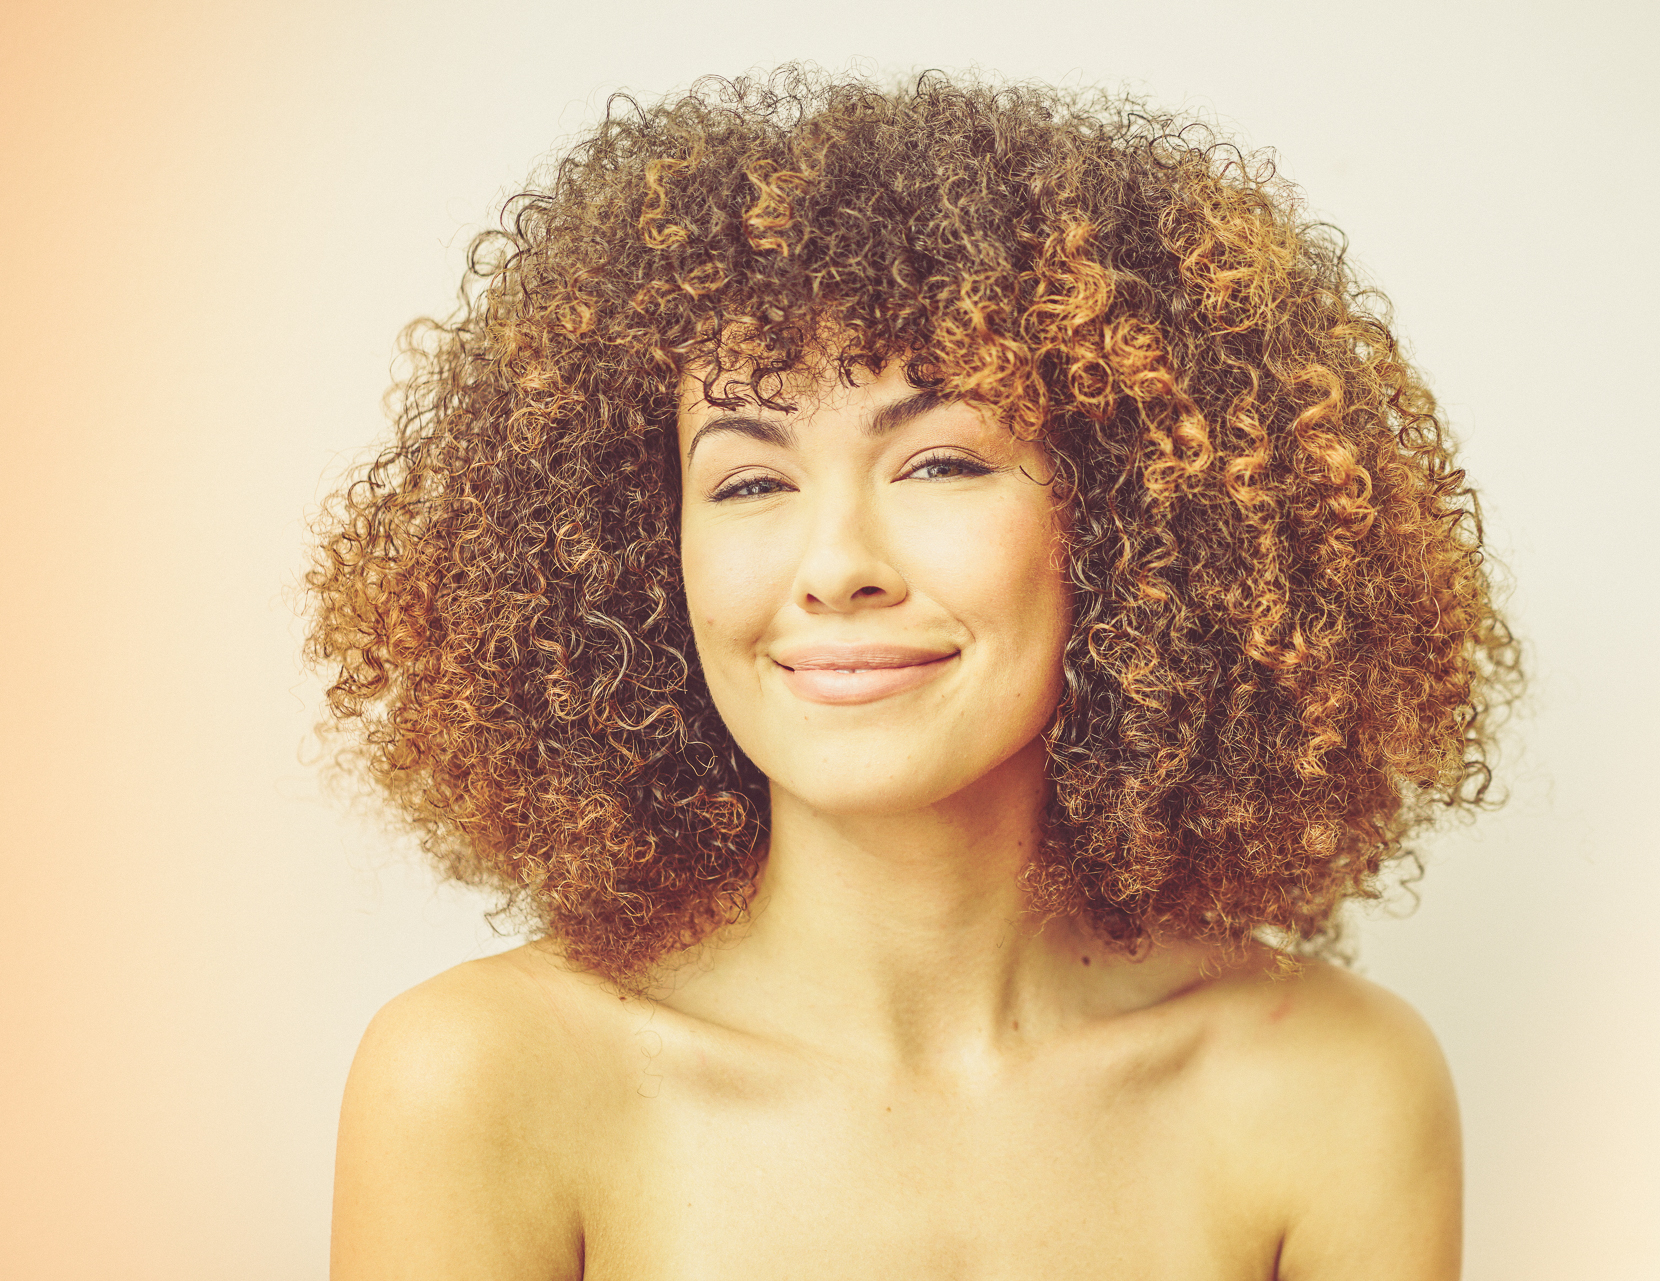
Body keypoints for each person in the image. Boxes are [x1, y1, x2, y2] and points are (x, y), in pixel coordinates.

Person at [310, 66, 1518, 1280]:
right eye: (749, 483)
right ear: (642, 552)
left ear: (1135, 517)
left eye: (940, 464)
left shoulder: (1329, 1091)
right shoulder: (486, 1083)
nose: (836, 568)